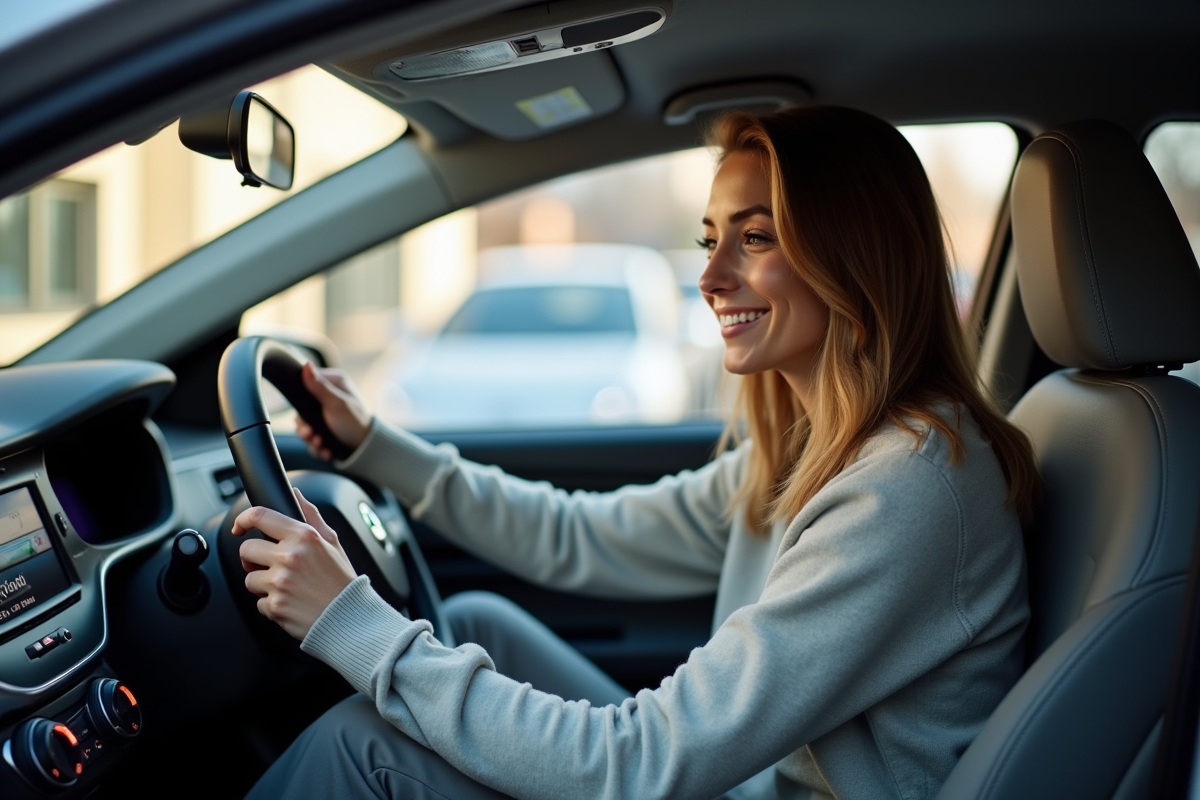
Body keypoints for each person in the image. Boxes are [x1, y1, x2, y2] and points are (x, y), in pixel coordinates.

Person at [235, 106, 1038, 800]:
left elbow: (640, 764)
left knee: (362, 746)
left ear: (855, 257)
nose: (712, 277)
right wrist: (377, 447)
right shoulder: (815, 446)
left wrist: (349, 621)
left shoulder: (904, 489)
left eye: (755, 238)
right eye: (711, 238)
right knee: (482, 625)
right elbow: (580, 536)